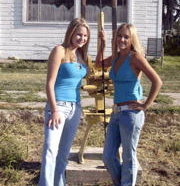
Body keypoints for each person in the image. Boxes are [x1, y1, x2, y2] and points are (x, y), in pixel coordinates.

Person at [95, 23, 162, 186]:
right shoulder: (117, 56)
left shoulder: (135, 57)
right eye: (120, 36)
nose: (122, 39)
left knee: (128, 157)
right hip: (116, 113)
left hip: (131, 114)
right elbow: (99, 64)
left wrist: (145, 105)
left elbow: (157, 81)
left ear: (132, 39)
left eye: (126, 36)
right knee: (108, 157)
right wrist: (102, 45)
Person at [38, 18, 90, 186]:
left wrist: (103, 43)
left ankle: (59, 182)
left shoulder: (82, 55)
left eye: (85, 36)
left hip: (75, 108)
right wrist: (53, 110)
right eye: (78, 34)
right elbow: (50, 83)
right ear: (71, 33)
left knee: (64, 153)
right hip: (58, 106)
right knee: (50, 149)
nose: (81, 38)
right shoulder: (59, 50)